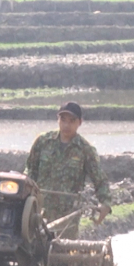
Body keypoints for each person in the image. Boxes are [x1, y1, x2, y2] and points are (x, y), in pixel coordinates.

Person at [24, 102, 111, 238]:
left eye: (72, 121)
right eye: (63, 120)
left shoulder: (85, 149)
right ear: (58, 120)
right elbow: (30, 171)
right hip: (39, 212)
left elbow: (100, 180)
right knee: (33, 251)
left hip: (68, 216)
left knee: (63, 254)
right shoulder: (43, 142)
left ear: (80, 122)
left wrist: (105, 203)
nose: (66, 125)